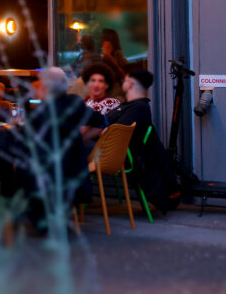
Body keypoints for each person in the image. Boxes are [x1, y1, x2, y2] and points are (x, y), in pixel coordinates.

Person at [14, 67, 95, 228]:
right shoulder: (76, 104)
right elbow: (99, 119)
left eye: (41, 85)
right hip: (73, 166)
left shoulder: (45, 111)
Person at [105, 67, 178, 213]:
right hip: (113, 152)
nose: (122, 83)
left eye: (125, 80)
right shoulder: (133, 107)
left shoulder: (138, 108)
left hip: (113, 156)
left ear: (130, 83)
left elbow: (114, 133)